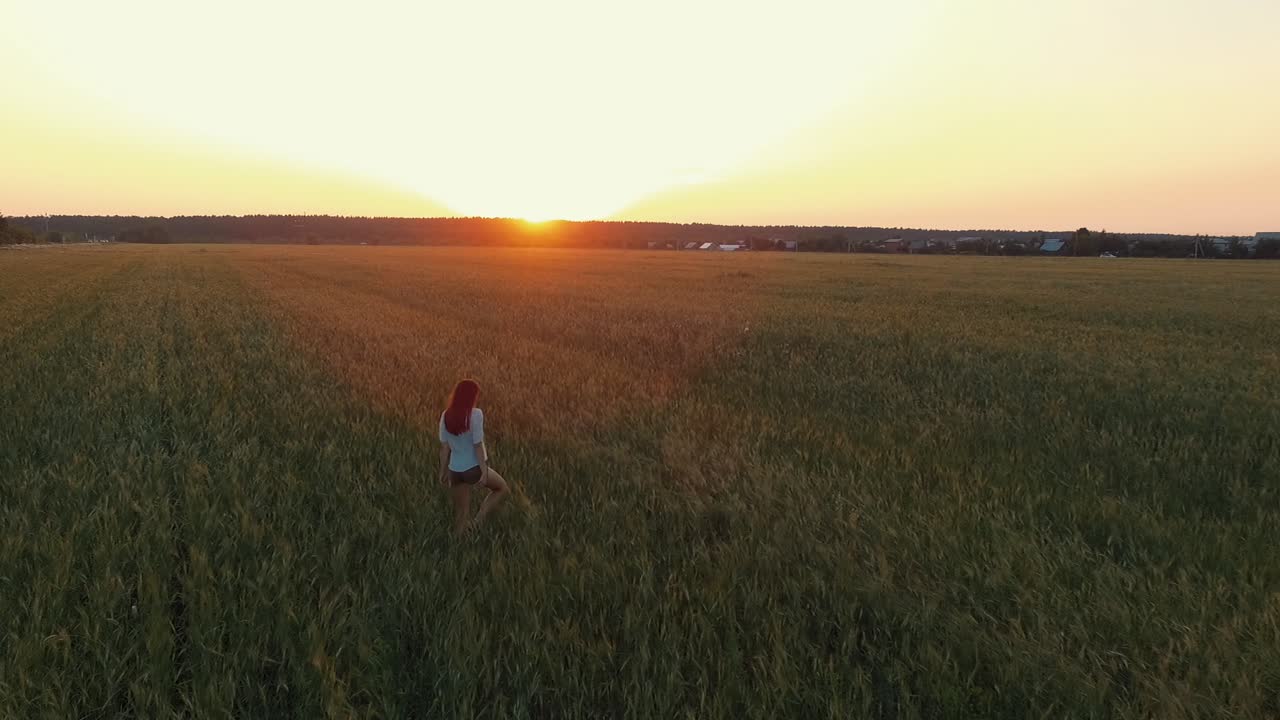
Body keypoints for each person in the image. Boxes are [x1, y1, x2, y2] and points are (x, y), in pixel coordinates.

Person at [438, 379, 509, 536]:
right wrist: (483, 471)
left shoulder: (446, 416)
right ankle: (477, 523)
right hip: (473, 468)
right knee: (501, 488)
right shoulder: (476, 414)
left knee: (461, 516)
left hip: (455, 471)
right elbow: (478, 445)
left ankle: (457, 547)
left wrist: (442, 472)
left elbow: (445, 448)